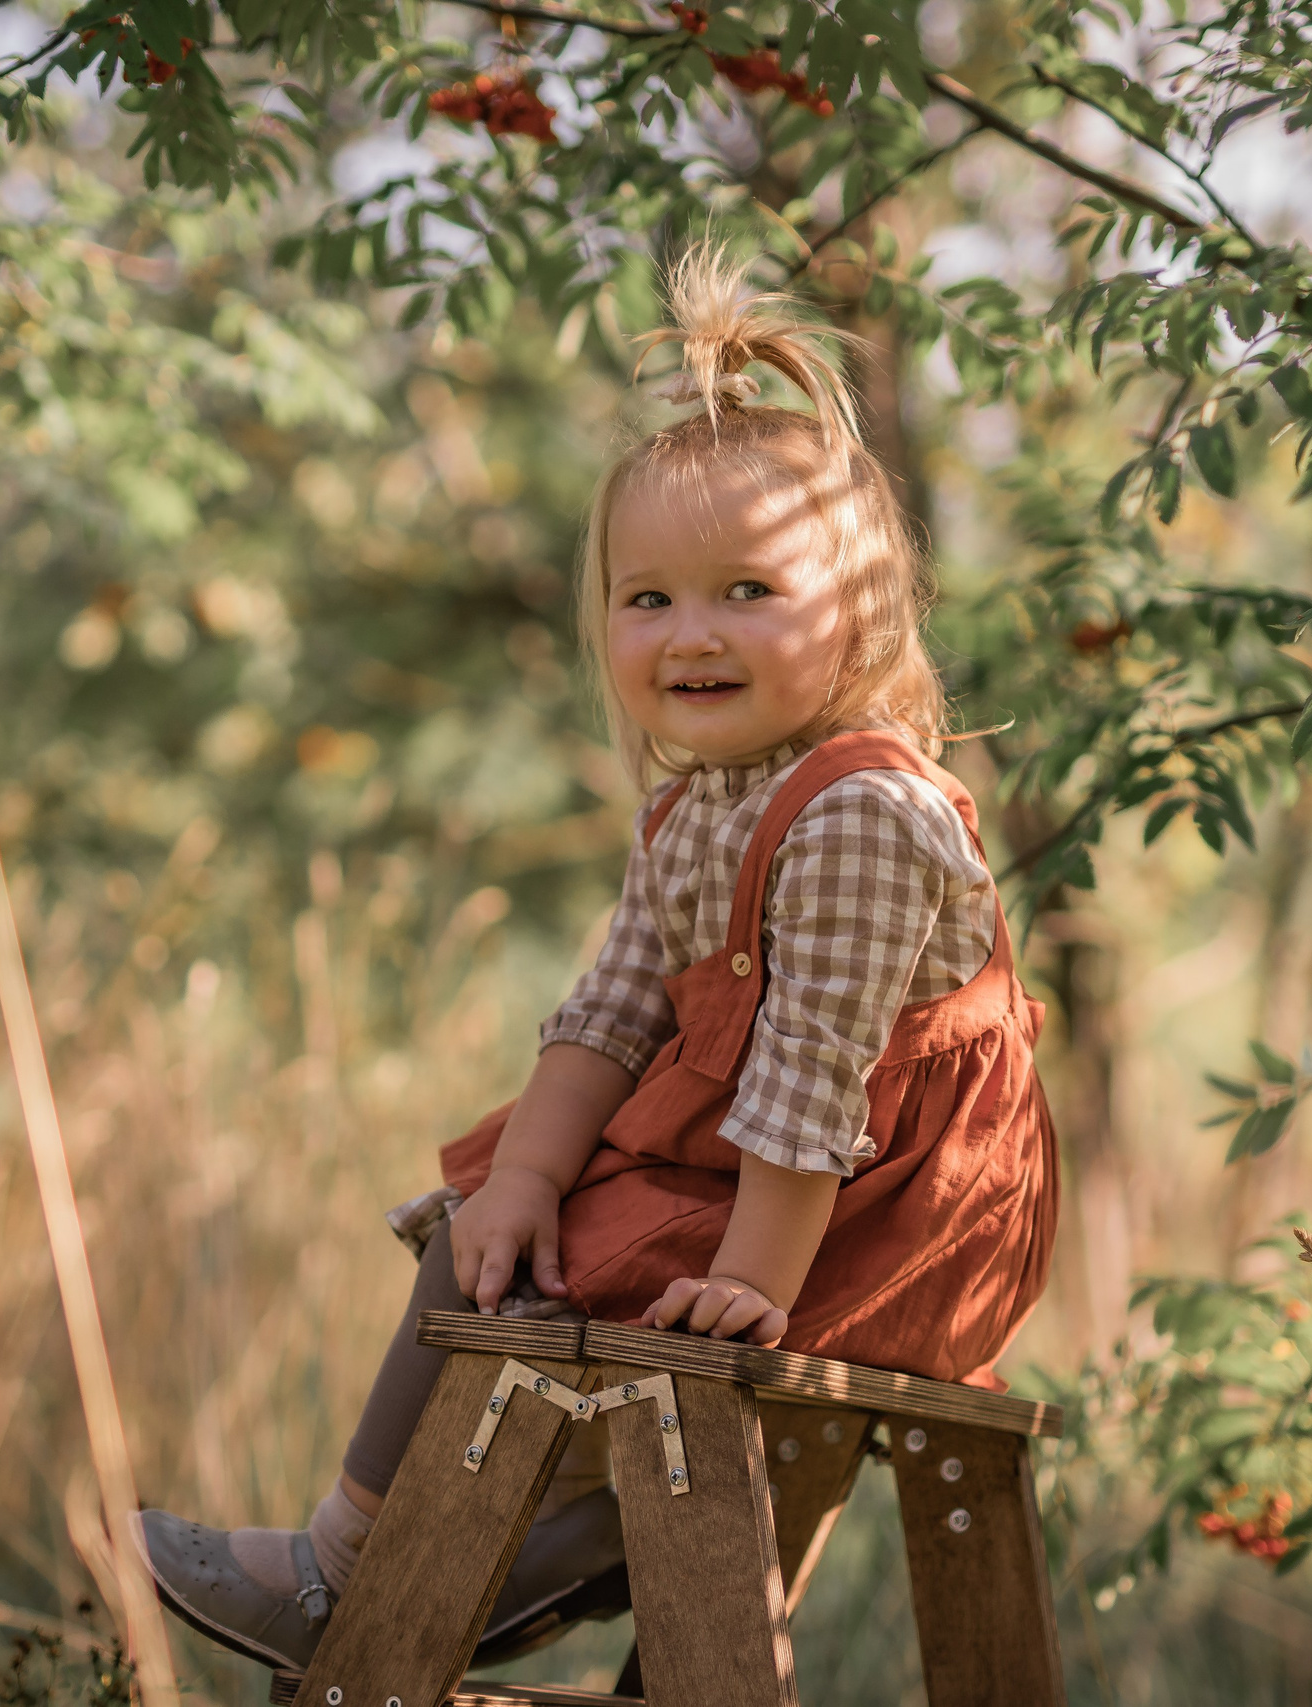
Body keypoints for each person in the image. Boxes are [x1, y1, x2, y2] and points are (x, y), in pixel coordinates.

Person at [134, 249, 1060, 1671]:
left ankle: (359, 1573)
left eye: (747, 590)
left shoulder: (866, 813)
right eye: (649, 599)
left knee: (565, 1282)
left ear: (860, 614)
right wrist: (520, 1178)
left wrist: (752, 1283)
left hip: (885, 1215)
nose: (691, 635)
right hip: (769, 1177)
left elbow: (816, 1073)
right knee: (491, 1239)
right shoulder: (697, 807)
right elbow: (611, 1017)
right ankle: (500, 1557)